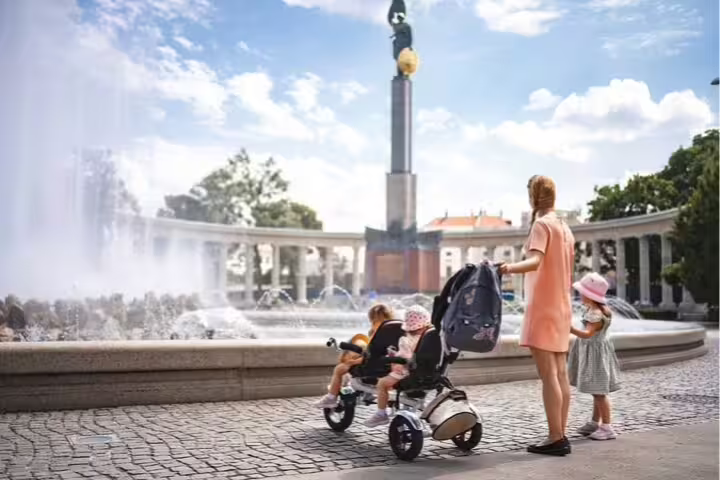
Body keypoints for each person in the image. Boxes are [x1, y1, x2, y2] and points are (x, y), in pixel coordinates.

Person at [499, 175, 575, 456]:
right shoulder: (564, 227)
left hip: (543, 307)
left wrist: (508, 267)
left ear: (533, 196)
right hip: (562, 307)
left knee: (549, 376)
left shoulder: (541, 225)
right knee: (561, 374)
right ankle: (560, 434)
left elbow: (535, 262)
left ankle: (555, 437)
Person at [568, 272, 621, 441]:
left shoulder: (596, 313)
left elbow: (587, 334)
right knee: (596, 390)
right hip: (596, 352)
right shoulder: (595, 310)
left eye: (582, 292)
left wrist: (568, 328)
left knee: (599, 392)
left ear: (589, 295)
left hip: (595, 356)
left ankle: (607, 427)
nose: (580, 295)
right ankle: (594, 422)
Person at [314, 303, 394, 409]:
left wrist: (352, 362)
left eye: (373, 321)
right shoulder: (395, 332)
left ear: (373, 320)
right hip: (390, 368)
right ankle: (364, 391)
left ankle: (331, 397)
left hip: (373, 368)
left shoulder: (376, 334)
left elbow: (371, 356)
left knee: (340, 369)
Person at [364, 304, 431, 427]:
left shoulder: (405, 340)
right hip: (428, 373)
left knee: (382, 384)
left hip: (406, 372)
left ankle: (381, 414)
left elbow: (402, 358)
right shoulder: (429, 338)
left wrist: (391, 359)